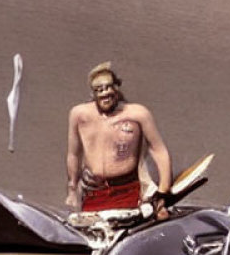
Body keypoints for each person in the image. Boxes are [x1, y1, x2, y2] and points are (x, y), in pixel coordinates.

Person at [66, 62, 172, 215]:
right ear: (93, 93)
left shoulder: (137, 114)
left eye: (109, 88)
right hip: (93, 193)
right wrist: (72, 189)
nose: (105, 94)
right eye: (99, 90)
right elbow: (73, 154)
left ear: (117, 88)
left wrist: (163, 190)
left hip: (127, 192)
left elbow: (159, 150)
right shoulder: (79, 114)